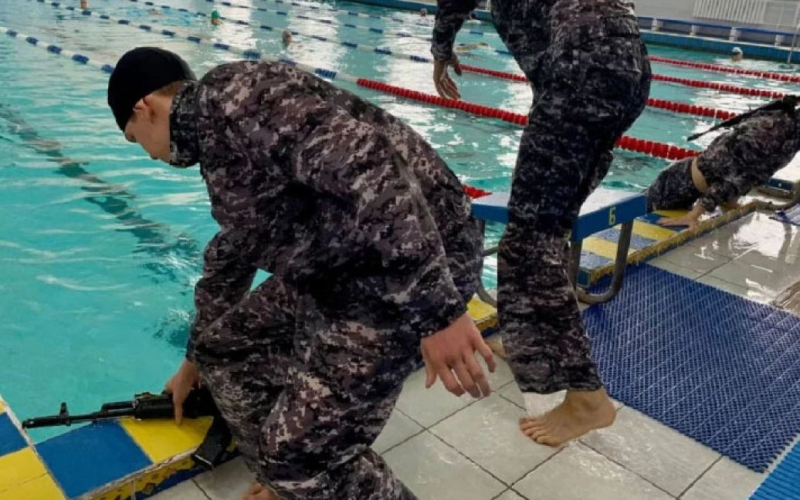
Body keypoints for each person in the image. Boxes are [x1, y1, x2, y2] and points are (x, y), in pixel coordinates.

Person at [107, 47, 494, 500]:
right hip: (342, 272)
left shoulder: (237, 98)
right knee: (223, 350)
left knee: (295, 458)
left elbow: (371, 165)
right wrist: (192, 360)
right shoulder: (219, 139)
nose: (151, 157)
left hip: (406, 271)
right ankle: (298, 479)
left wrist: (439, 312)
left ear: (144, 108)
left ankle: (303, 468)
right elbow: (234, 250)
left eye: (137, 140)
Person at [431, 0, 651, 446]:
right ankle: (531, 339)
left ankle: (588, 398)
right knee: (544, 232)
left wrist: (441, 49)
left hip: (582, 67)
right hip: (626, 63)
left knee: (528, 246)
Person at [649, 96, 800, 229]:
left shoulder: (790, 133)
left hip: (693, 187)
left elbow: (750, 172)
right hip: (675, 186)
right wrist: (695, 214)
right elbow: (732, 175)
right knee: (632, 216)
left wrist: (730, 201)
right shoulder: (771, 134)